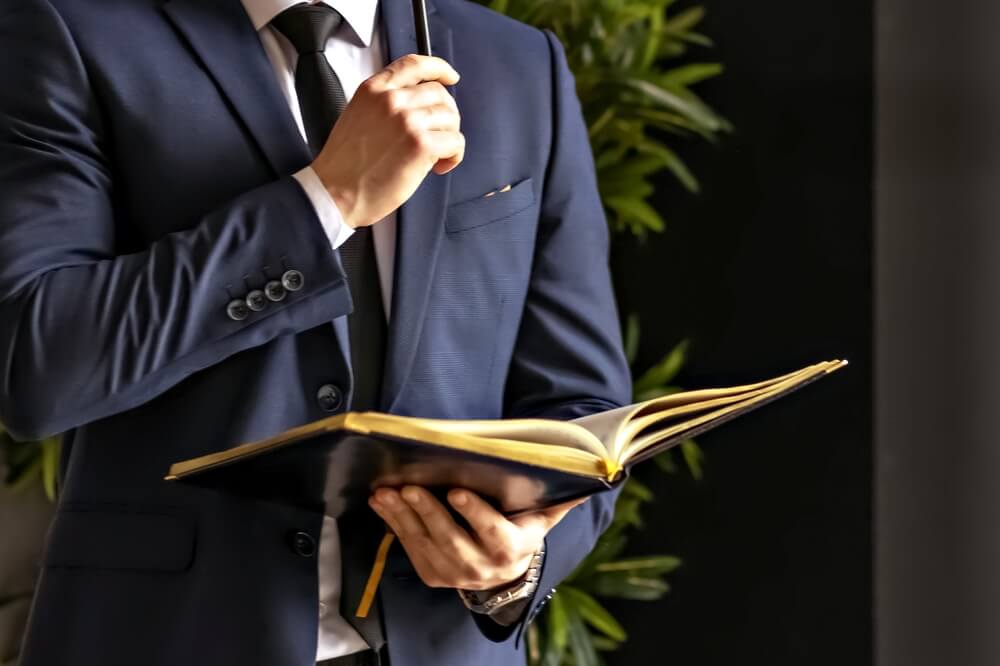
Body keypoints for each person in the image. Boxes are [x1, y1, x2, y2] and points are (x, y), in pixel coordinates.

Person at [0, 0, 631, 664]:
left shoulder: (519, 63)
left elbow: (584, 411)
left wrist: (518, 562)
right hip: (168, 638)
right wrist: (326, 199)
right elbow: (38, 367)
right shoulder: (67, 29)